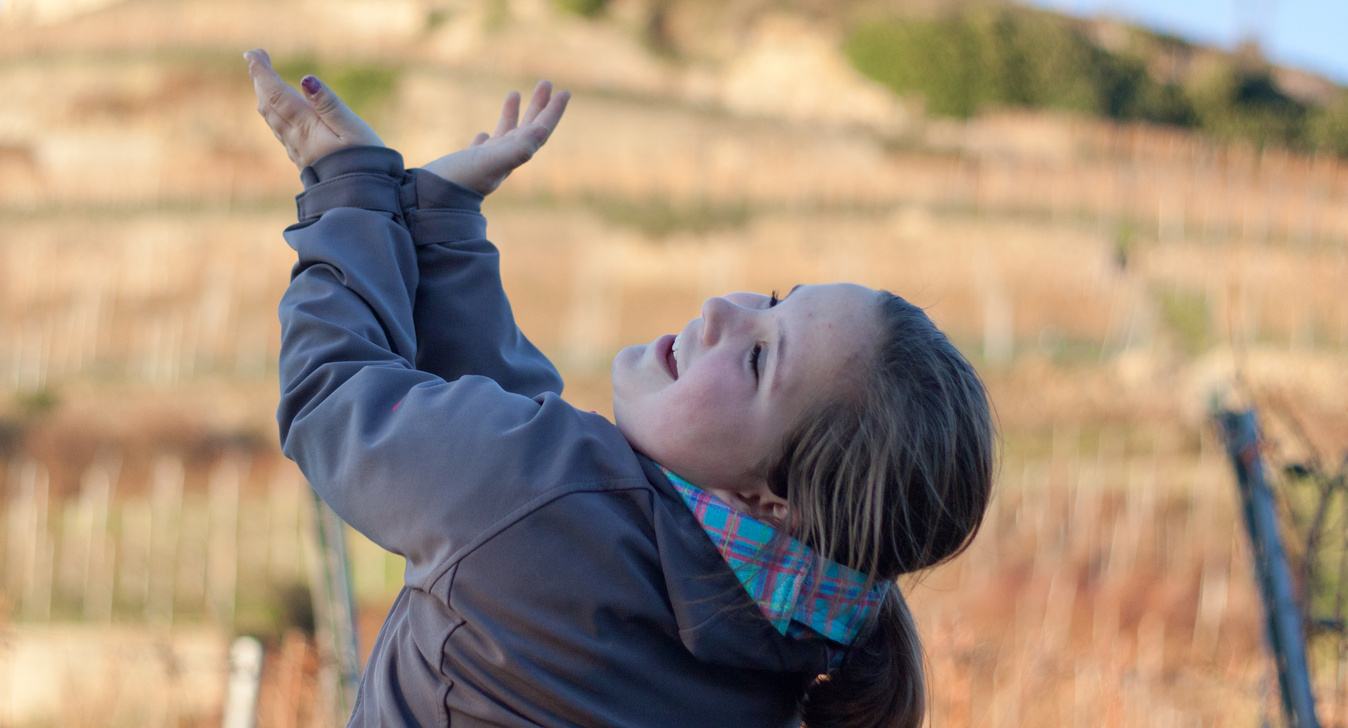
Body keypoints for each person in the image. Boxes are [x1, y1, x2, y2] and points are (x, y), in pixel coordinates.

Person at [245, 49, 996, 728]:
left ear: (774, 501)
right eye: (771, 299)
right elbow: (521, 468)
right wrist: (440, 227)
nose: (720, 312)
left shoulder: (549, 506)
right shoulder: (782, 649)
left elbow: (335, 396)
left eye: (761, 360)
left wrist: (348, 192)